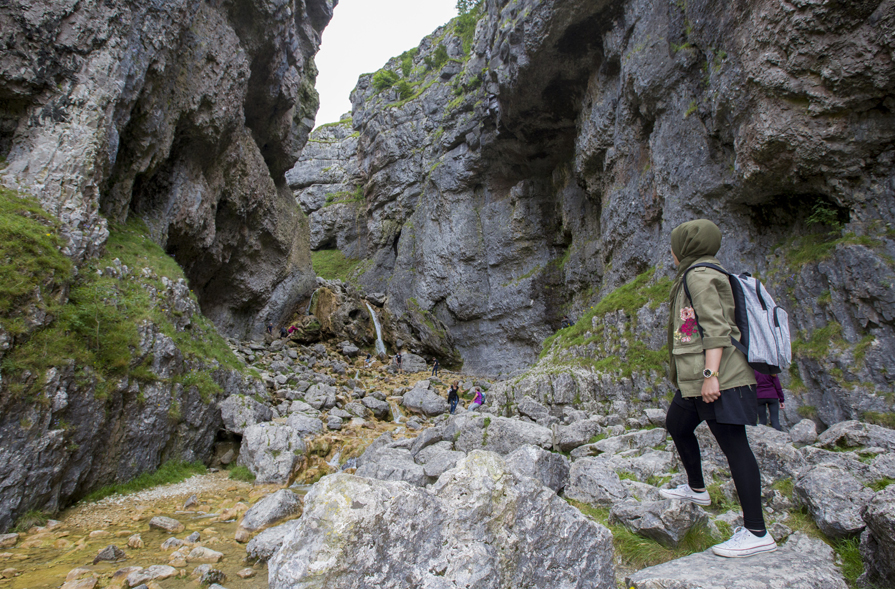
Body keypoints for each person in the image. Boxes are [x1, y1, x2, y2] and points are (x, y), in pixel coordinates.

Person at [658, 219, 776, 558]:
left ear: (686, 247)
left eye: (675, 245)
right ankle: (696, 488)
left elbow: (717, 327)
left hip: (718, 379)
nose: (672, 252)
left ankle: (757, 531)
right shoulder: (698, 273)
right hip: (695, 381)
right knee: (677, 424)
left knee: (735, 448)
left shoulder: (699, 275)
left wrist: (711, 374)